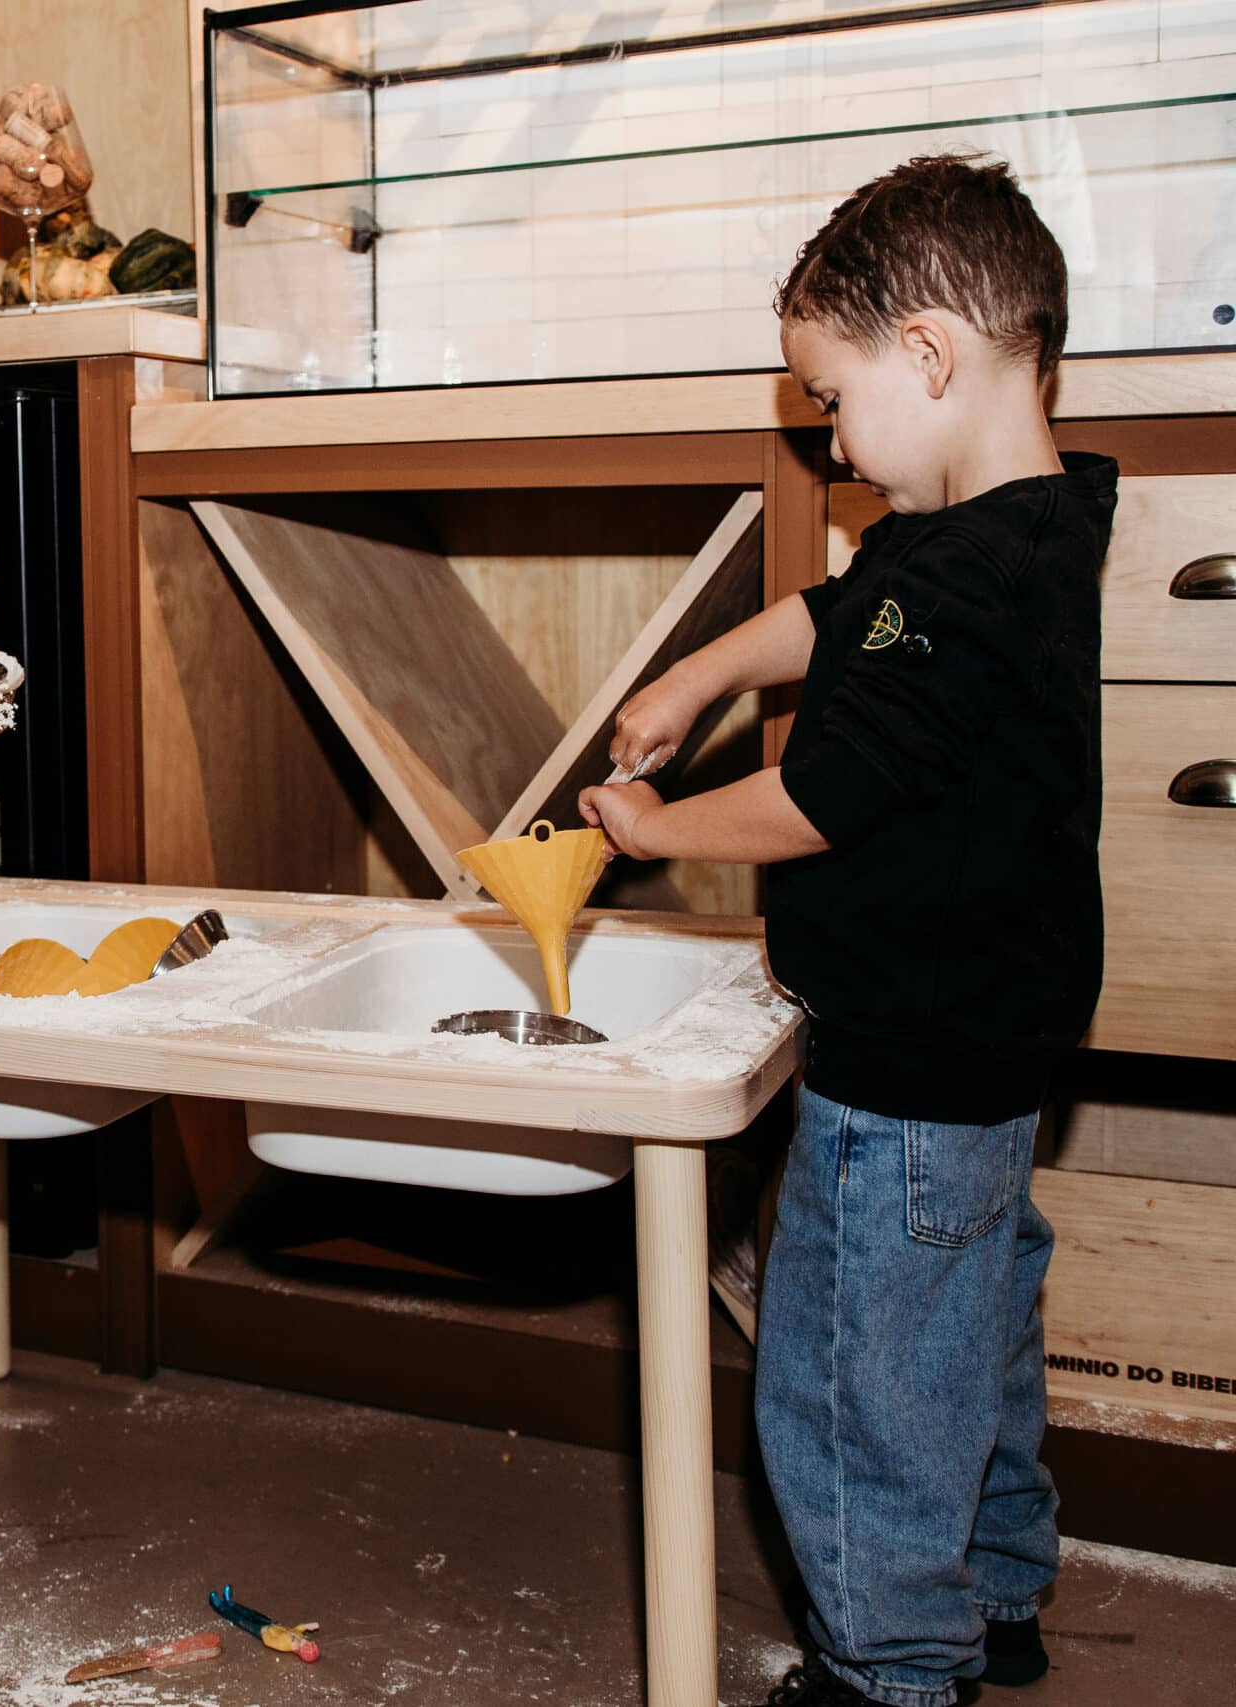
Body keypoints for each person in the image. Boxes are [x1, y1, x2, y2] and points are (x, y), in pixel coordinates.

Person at [578, 155, 1111, 1707]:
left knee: (848, 1380)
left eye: (830, 399)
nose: (829, 437)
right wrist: (701, 675)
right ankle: (995, 1594)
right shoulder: (1010, 529)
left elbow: (823, 797)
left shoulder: (961, 582)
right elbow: (840, 614)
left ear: (927, 355)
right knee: (972, 1334)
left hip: (904, 1061)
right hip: (996, 1036)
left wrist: (658, 830)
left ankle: (889, 1669)